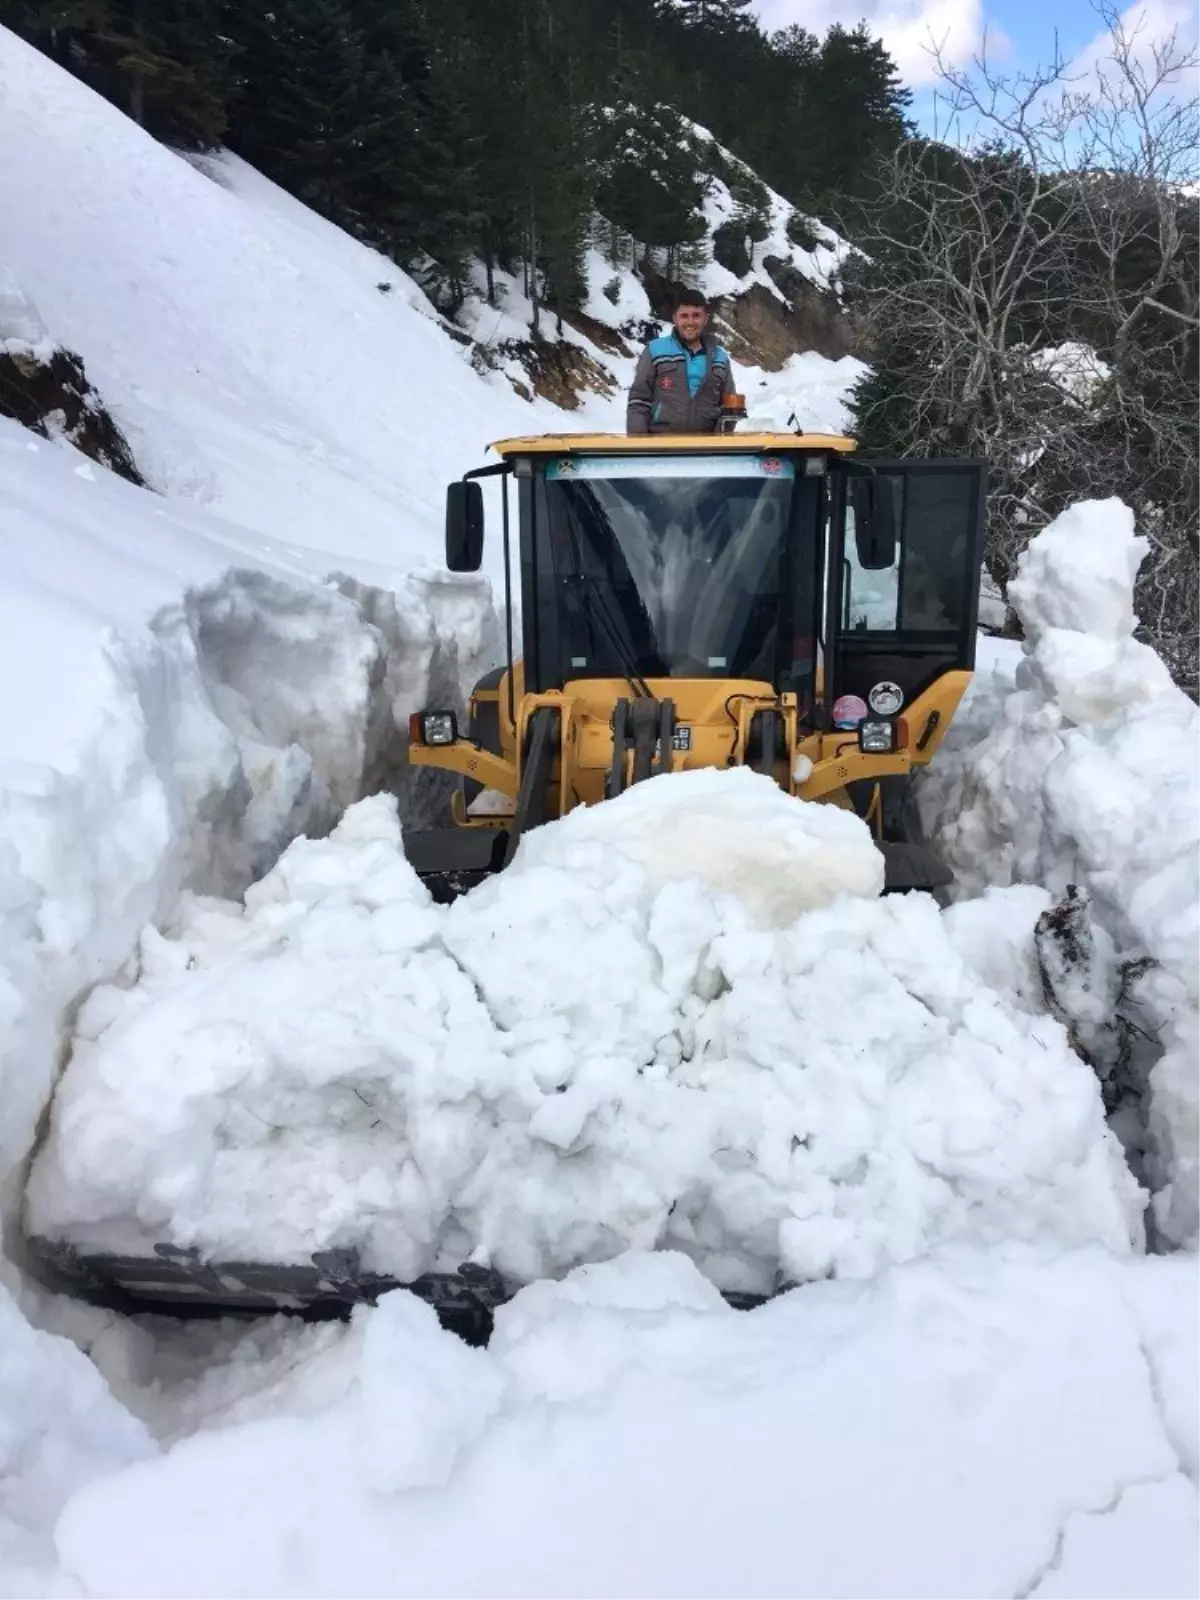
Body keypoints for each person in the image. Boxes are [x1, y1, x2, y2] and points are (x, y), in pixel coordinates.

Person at [626, 289, 736, 434]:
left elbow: (730, 407)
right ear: (675, 318)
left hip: (706, 448)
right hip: (661, 445)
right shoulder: (655, 350)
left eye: (696, 315)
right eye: (684, 316)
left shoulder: (720, 357)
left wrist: (718, 443)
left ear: (705, 319)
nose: (690, 322)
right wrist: (638, 447)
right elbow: (639, 401)